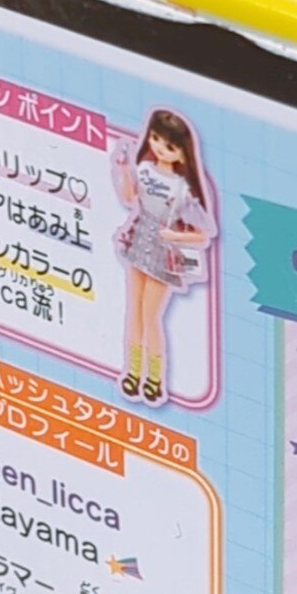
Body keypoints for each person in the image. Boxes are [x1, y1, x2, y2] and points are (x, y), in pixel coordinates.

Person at [110, 108, 214, 405]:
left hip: (163, 249)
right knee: (134, 311)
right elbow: (130, 198)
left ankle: (154, 379)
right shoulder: (145, 169)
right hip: (138, 239)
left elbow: (203, 233)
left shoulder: (182, 189)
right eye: (155, 138)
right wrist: (124, 170)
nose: (159, 147)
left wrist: (174, 237)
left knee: (150, 316)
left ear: (181, 153)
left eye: (169, 145)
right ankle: (133, 372)